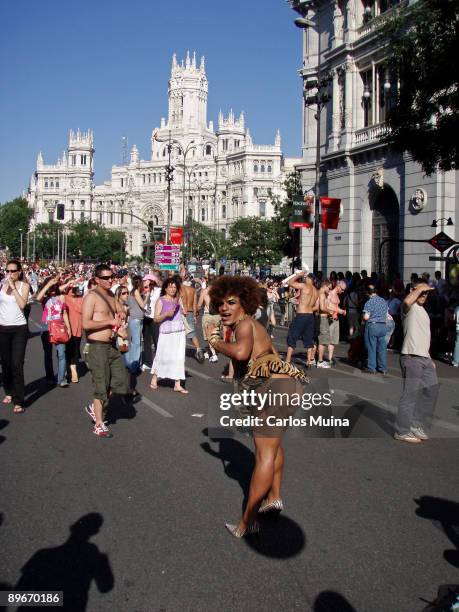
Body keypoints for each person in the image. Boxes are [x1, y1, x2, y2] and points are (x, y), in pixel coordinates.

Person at [206, 276, 308, 538]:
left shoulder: (245, 325)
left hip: (275, 390)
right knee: (272, 447)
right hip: (282, 388)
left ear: (245, 304)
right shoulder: (249, 324)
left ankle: (247, 523)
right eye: (220, 303)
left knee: (263, 454)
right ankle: (273, 499)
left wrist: (215, 341)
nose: (224, 308)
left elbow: (240, 353)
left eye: (231, 302)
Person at [82, 264, 129, 438]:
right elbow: (86, 324)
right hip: (96, 346)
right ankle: (99, 424)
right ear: (96, 279)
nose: (110, 280)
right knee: (101, 385)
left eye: (112, 277)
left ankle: (95, 408)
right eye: (106, 278)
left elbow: (119, 314)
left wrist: (120, 322)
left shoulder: (111, 295)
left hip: (111, 345)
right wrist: (109, 323)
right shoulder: (91, 297)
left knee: (119, 382)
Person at [394, 282, 438, 443]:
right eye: (422, 293)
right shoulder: (409, 307)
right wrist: (419, 289)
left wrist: (429, 357)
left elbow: (423, 336)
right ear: (413, 291)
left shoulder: (423, 311)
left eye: (426, 294)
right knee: (410, 395)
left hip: (424, 358)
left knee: (431, 391)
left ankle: (415, 424)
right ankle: (402, 430)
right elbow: (406, 302)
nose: (424, 296)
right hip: (411, 357)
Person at [0, 260, 30, 413]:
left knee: (16, 364)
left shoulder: (24, 285)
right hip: (3, 328)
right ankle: (9, 392)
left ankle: (19, 400)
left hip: (19, 329)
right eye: (8, 271)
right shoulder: (1, 285)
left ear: (19, 272)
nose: (10, 274)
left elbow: (22, 304)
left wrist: (13, 287)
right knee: (5, 364)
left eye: (13, 271)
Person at [150, 276, 188, 394]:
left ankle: (177, 384)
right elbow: (156, 319)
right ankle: (154, 378)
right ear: (165, 288)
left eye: (174, 287)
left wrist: (183, 312)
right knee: (162, 355)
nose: (172, 289)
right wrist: (166, 314)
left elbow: (182, 311)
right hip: (166, 333)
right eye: (170, 287)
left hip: (179, 331)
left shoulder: (178, 299)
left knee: (179, 356)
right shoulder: (160, 300)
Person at [285, 271, 318, 366]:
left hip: (301, 315)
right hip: (310, 316)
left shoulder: (304, 286)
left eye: (305, 277)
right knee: (309, 338)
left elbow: (290, 282)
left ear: (309, 279)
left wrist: (298, 275)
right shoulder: (316, 291)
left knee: (292, 336)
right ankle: (308, 361)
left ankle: (287, 360)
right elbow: (316, 306)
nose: (304, 278)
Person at [44, 288, 72, 387]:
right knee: (48, 354)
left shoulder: (61, 298)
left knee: (61, 354)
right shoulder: (44, 297)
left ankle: (62, 379)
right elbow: (37, 297)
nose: (53, 290)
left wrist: (68, 328)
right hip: (46, 328)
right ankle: (50, 377)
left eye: (54, 287)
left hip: (59, 328)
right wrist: (47, 285)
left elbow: (64, 313)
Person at [362, 285, 388, 374]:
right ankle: (383, 368)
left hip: (373, 325)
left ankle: (371, 367)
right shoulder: (383, 300)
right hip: (383, 325)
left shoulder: (369, 302)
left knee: (371, 347)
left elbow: (366, 317)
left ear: (367, 293)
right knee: (382, 348)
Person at [125, 276, 146, 388]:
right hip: (136, 319)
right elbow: (142, 305)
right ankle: (134, 366)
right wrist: (146, 297)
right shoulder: (136, 292)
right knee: (136, 343)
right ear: (139, 283)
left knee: (135, 342)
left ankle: (132, 362)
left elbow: (128, 305)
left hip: (136, 319)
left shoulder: (132, 292)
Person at [180, 276, 205, 363]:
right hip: (190, 312)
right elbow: (194, 304)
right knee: (191, 333)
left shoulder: (180, 288)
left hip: (181, 312)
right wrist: (194, 315)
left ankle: (180, 352)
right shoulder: (192, 290)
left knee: (180, 332)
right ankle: (198, 349)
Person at [64, 283, 84, 383]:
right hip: (66, 328)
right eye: (70, 287)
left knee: (75, 349)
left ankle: (72, 370)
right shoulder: (64, 297)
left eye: (74, 287)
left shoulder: (81, 299)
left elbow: (82, 311)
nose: (72, 289)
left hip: (78, 328)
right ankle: (71, 371)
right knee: (68, 350)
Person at [197, 276, 220, 362]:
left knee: (209, 336)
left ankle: (214, 355)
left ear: (207, 281)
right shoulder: (218, 292)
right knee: (215, 335)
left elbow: (199, 304)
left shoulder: (205, 291)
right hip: (218, 316)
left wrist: (197, 311)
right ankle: (209, 352)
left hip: (208, 315)